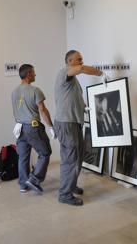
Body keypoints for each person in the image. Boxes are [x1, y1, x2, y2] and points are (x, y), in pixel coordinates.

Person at [54, 50, 108, 206]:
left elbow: (74, 97)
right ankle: (64, 194)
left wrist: (85, 107)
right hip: (67, 123)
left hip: (73, 122)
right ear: (70, 61)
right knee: (71, 160)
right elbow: (82, 69)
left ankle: (70, 185)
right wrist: (101, 73)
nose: (81, 62)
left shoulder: (73, 80)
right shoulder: (65, 72)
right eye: (79, 59)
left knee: (77, 157)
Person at [12, 64, 55, 194]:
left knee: (23, 157)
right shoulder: (35, 90)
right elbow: (42, 110)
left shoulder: (14, 92)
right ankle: (34, 179)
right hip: (33, 127)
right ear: (29, 74)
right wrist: (51, 126)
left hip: (19, 128)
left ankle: (23, 185)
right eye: (34, 73)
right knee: (45, 152)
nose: (35, 75)